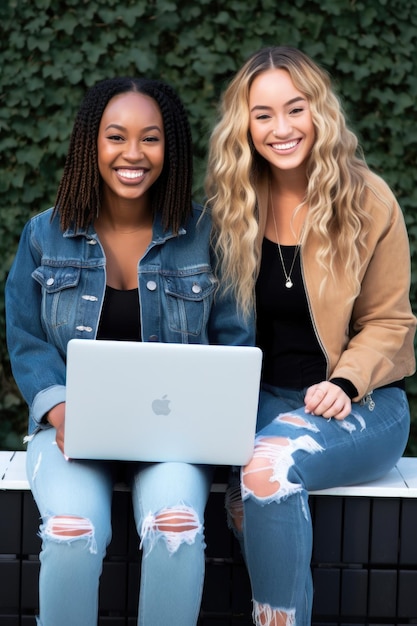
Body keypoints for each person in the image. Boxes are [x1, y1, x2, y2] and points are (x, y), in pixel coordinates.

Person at [5, 77, 254, 626]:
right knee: (72, 531)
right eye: (116, 137)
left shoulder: (206, 236)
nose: (133, 154)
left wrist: (212, 422)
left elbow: (236, 341)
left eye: (151, 138)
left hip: (175, 439)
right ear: (91, 144)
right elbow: (25, 340)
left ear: (172, 148)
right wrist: (61, 409)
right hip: (71, 432)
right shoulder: (45, 235)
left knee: (177, 528)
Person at [205, 46, 416, 626]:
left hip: (363, 402)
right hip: (263, 401)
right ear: (244, 125)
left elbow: (391, 322)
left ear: (319, 112)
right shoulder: (229, 207)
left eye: (295, 109)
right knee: (237, 495)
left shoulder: (369, 201)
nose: (282, 128)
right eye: (264, 114)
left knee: (266, 469)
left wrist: (345, 380)